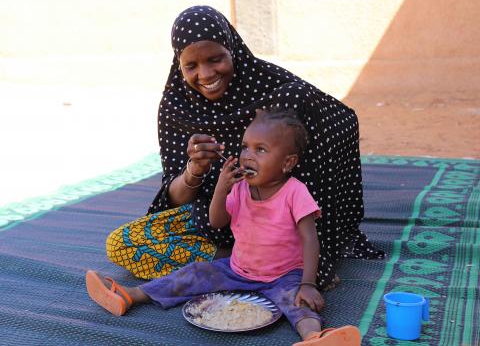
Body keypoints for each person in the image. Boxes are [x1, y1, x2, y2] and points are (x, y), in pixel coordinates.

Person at [105, 5, 383, 288]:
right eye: (191, 66)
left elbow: (340, 121)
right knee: (121, 245)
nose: (205, 74)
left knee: (299, 106)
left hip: (277, 224)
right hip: (214, 220)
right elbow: (174, 199)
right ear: (179, 64)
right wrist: (194, 170)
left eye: (216, 59)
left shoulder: (278, 93)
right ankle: (241, 261)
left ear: (233, 49)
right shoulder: (176, 107)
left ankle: (285, 261)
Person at [86, 109, 361, 346]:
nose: (248, 156)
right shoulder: (240, 187)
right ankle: (129, 295)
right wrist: (221, 188)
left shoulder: (295, 192)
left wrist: (308, 283)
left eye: (261, 150)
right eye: (245, 147)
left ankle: (315, 337)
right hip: (236, 269)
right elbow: (218, 222)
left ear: (288, 162)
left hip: (283, 275)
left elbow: (310, 240)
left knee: (297, 301)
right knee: (193, 273)